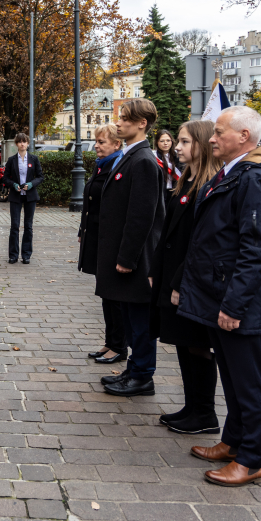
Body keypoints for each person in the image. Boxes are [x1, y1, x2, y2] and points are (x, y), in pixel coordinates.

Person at [178, 106, 261, 488]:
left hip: (236, 300)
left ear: (243, 136)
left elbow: (259, 249)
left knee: (247, 382)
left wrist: (234, 305)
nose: (212, 138)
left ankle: (252, 460)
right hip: (220, 293)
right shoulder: (236, 170)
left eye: (219, 132)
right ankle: (234, 442)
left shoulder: (255, 177)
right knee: (234, 378)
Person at [150, 120, 222, 434]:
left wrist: (179, 281)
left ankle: (205, 413)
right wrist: (156, 270)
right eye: (177, 141)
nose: (177, 147)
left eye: (184, 142)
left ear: (202, 145)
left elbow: (200, 241)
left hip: (190, 281)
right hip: (173, 277)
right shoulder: (187, 179)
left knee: (196, 345)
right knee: (183, 342)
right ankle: (192, 406)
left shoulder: (209, 185)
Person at [96, 98, 166, 397]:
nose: (119, 122)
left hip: (134, 259)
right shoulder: (131, 155)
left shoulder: (144, 160)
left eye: (125, 118)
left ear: (142, 123)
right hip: (122, 254)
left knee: (140, 321)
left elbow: (142, 215)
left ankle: (143, 375)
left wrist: (127, 257)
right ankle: (134, 369)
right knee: (128, 316)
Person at [79, 124, 128, 365]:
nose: (96, 146)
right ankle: (110, 342)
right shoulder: (102, 165)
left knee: (114, 296)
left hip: (111, 240)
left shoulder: (118, 166)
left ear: (116, 144)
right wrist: (83, 230)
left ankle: (119, 346)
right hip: (98, 237)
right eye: (96, 141)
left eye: (101, 142)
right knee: (106, 294)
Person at [4, 133, 44, 264]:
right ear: (16, 144)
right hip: (16, 195)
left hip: (30, 196)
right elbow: (5, 178)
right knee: (14, 226)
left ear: (28, 143)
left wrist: (31, 184)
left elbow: (40, 177)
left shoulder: (34, 159)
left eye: (24, 141)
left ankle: (26, 255)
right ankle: (13, 255)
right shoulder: (11, 160)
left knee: (28, 226)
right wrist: (13, 185)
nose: (22, 144)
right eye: (20, 142)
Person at [154, 129, 182, 200]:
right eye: (162, 141)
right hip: (160, 192)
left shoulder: (179, 156)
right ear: (157, 142)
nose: (165, 143)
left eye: (168, 140)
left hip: (175, 191)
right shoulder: (153, 157)